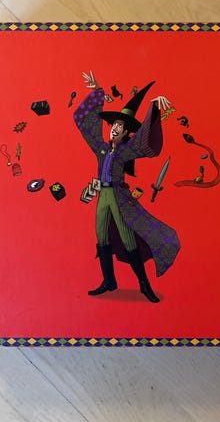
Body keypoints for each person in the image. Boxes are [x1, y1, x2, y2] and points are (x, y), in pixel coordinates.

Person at [74, 71, 180, 303]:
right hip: (103, 196)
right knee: (101, 236)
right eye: (113, 124)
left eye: (120, 126)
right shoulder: (101, 148)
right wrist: (97, 92)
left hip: (119, 197)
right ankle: (109, 281)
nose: (114, 128)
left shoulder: (126, 150)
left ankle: (144, 286)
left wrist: (154, 108)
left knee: (128, 239)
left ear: (126, 133)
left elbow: (144, 144)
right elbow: (86, 126)